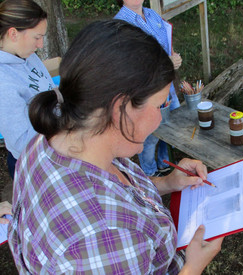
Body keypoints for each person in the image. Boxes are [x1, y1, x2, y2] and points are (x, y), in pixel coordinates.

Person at [8, 20, 223, 274]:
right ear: (120, 110)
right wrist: (192, 267)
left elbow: (119, 194)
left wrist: (168, 183)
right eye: (158, 106)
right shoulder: (102, 240)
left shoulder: (52, 140)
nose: (159, 117)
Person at [115, 0, 182, 176]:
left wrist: (173, 56)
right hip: (147, 91)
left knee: (171, 124)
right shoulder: (120, 24)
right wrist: (165, 63)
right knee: (151, 134)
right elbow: (130, 63)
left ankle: (164, 162)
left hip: (167, 85)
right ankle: (149, 172)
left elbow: (166, 40)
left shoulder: (152, 14)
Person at [0, 0, 56, 179]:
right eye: (36, 37)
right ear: (13, 34)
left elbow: (49, 90)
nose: (40, 45)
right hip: (33, 162)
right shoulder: (3, 80)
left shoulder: (28, 55)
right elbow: (21, 142)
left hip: (54, 147)